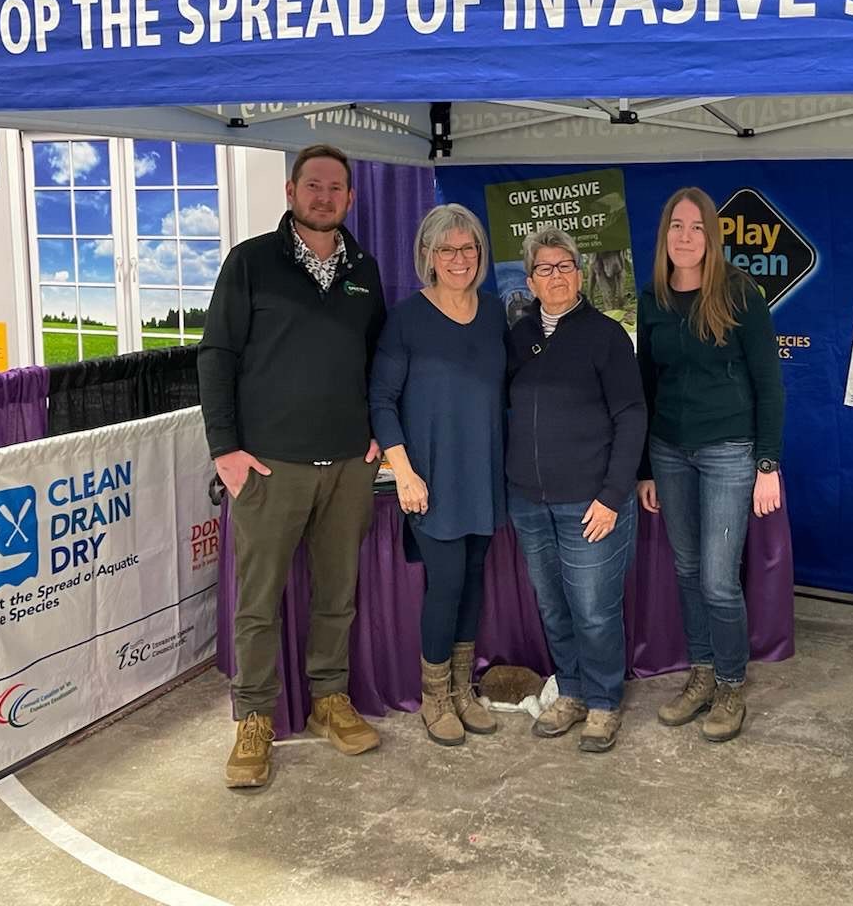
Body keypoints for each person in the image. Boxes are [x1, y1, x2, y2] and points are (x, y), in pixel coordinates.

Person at [199, 144, 387, 789]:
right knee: (258, 603)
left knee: (337, 595)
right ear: (291, 191)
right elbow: (216, 356)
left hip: (347, 467)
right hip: (269, 469)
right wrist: (225, 450)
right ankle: (254, 717)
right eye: (314, 185)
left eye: (337, 187)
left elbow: (381, 361)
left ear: (351, 198)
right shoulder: (250, 262)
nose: (325, 196)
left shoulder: (366, 268)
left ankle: (329, 698)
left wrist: (378, 436)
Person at [636, 188, 786, 743]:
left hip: (729, 451)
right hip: (668, 451)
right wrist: (642, 468)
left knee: (720, 582)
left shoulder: (740, 293)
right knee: (687, 570)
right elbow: (645, 386)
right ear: (664, 234)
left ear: (712, 237)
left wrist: (767, 463)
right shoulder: (651, 298)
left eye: (696, 227)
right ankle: (700, 675)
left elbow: (769, 387)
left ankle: (729, 685)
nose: (684, 237)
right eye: (676, 225)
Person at [369, 204, 507, 746]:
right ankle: (435, 696)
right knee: (446, 583)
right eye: (446, 249)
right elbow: (381, 399)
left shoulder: (497, 313)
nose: (458, 258)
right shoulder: (407, 318)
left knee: (473, 582)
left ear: (480, 254)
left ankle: (463, 689)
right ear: (427, 255)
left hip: (484, 471)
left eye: (467, 248)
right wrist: (403, 471)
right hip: (430, 476)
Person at [506, 228, 647, 753]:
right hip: (528, 501)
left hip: (590, 502)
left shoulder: (607, 336)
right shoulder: (517, 336)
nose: (557, 276)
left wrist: (612, 496)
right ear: (531, 280)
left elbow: (632, 417)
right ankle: (571, 691)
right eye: (545, 268)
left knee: (594, 609)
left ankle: (605, 701)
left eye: (565, 265)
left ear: (582, 274)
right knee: (553, 606)